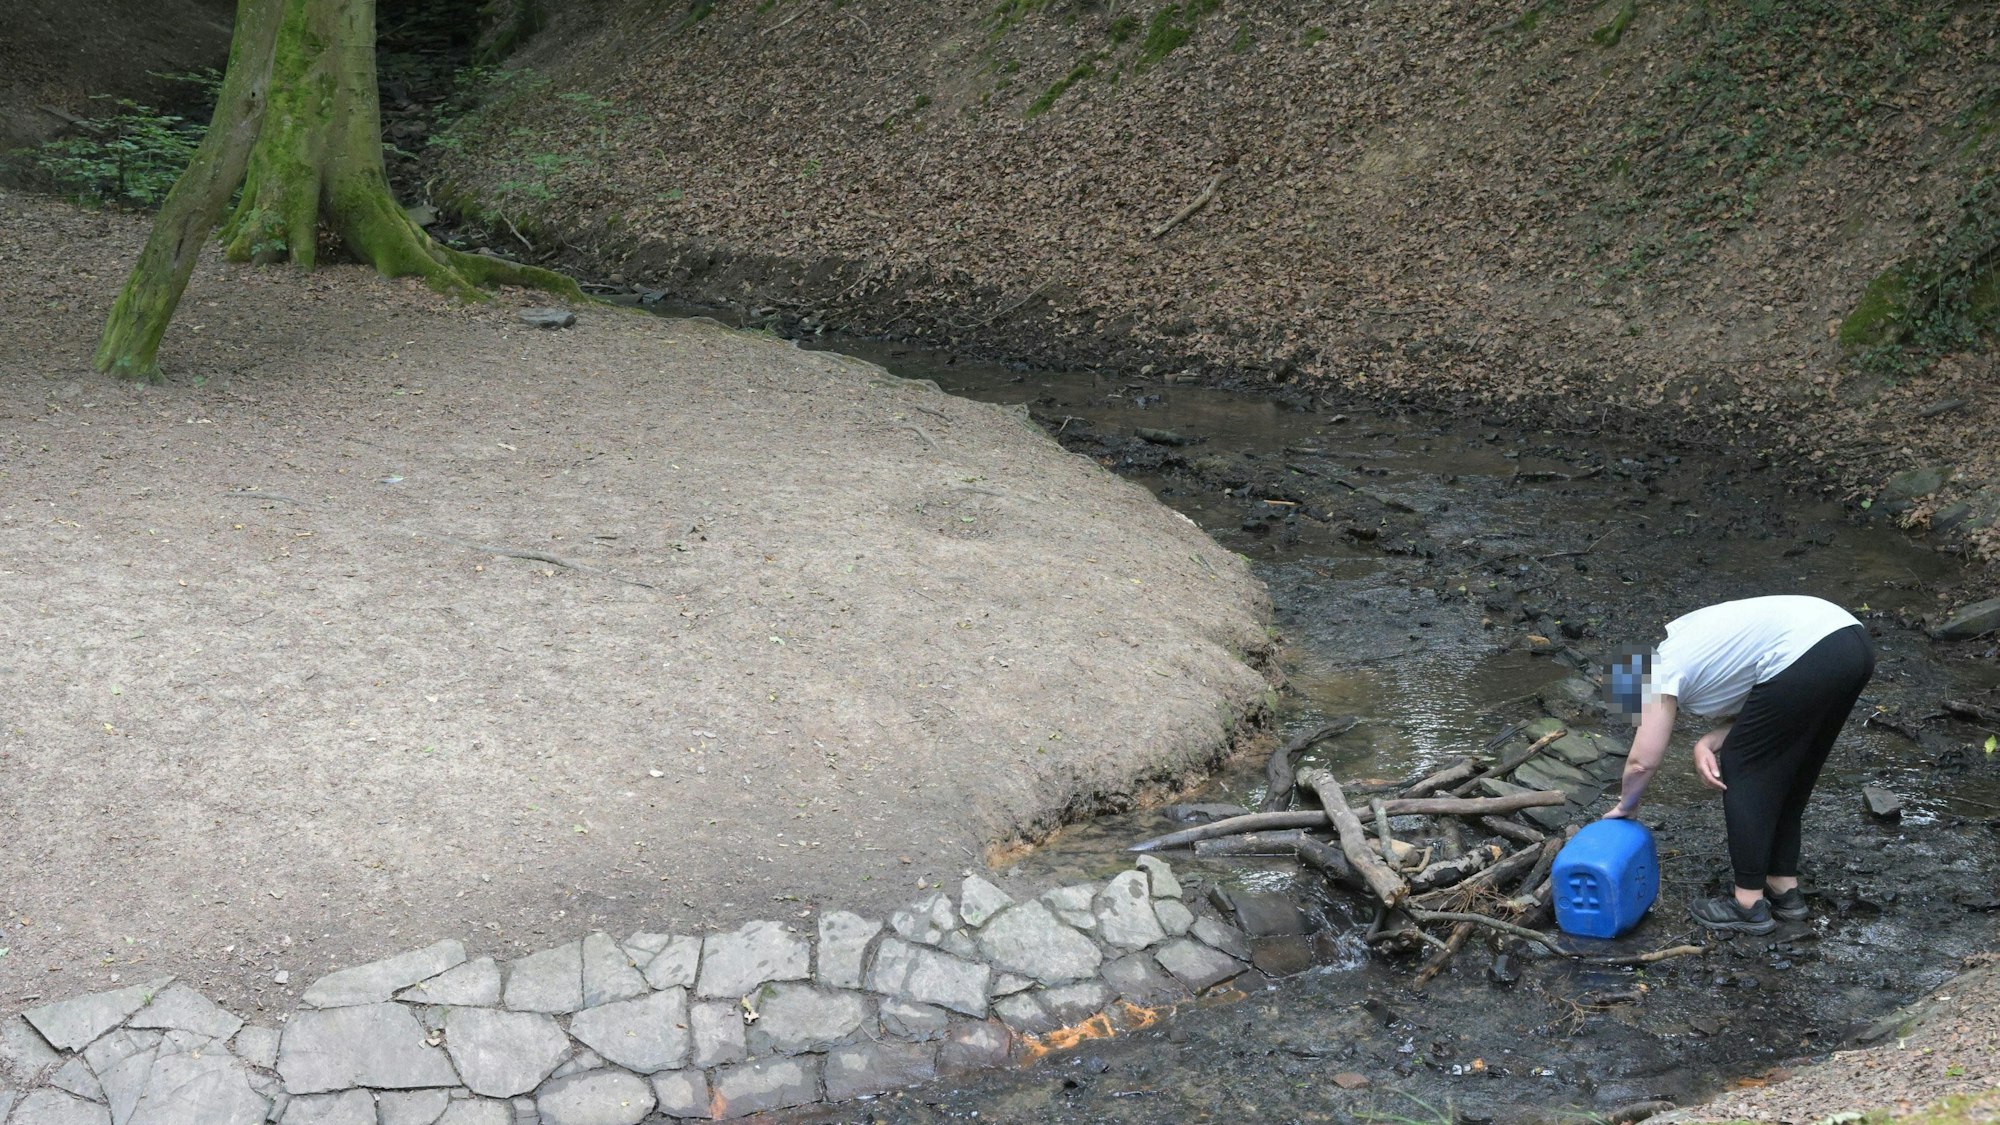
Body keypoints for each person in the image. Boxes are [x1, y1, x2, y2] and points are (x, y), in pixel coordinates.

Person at [1601, 595, 1876, 935]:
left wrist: (1626, 806)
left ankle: (1747, 904)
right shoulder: (1689, 646)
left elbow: (1642, 761)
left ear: (1633, 682)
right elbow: (1766, 709)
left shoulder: (1659, 670)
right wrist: (1708, 741)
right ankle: (1783, 888)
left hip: (1808, 649)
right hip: (1850, 642)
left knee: (1744, 765)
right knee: (1793, 764)